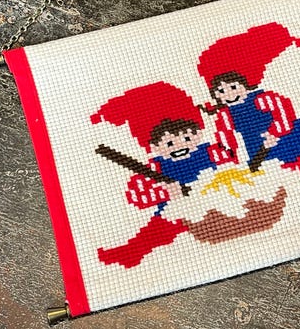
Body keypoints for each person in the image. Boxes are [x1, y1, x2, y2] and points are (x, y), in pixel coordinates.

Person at [197, 22, 300, 222]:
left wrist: (274, 134)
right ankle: (292, 209)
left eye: (233, 87)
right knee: (278, 178)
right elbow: (226, 138)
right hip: (257, 148)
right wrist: (231, 158)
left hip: (290, 138)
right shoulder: (226, 115)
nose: (228, 94)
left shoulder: (263, 99)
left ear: (245, 84)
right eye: (220, 91)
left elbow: (283, 116)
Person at [90, 81, 233, 268]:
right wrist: (164, 190)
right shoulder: (155, 167)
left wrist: (222, 116)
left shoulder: (208, 152)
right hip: (174, 212)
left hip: (215, 202)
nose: (180, 145)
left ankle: (132, 252)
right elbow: (138, 195)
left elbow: (230, 156)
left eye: (187, 138)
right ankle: (131, 252)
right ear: (152, 146)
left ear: (198, 132)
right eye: (169, 143)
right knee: (157, 229)